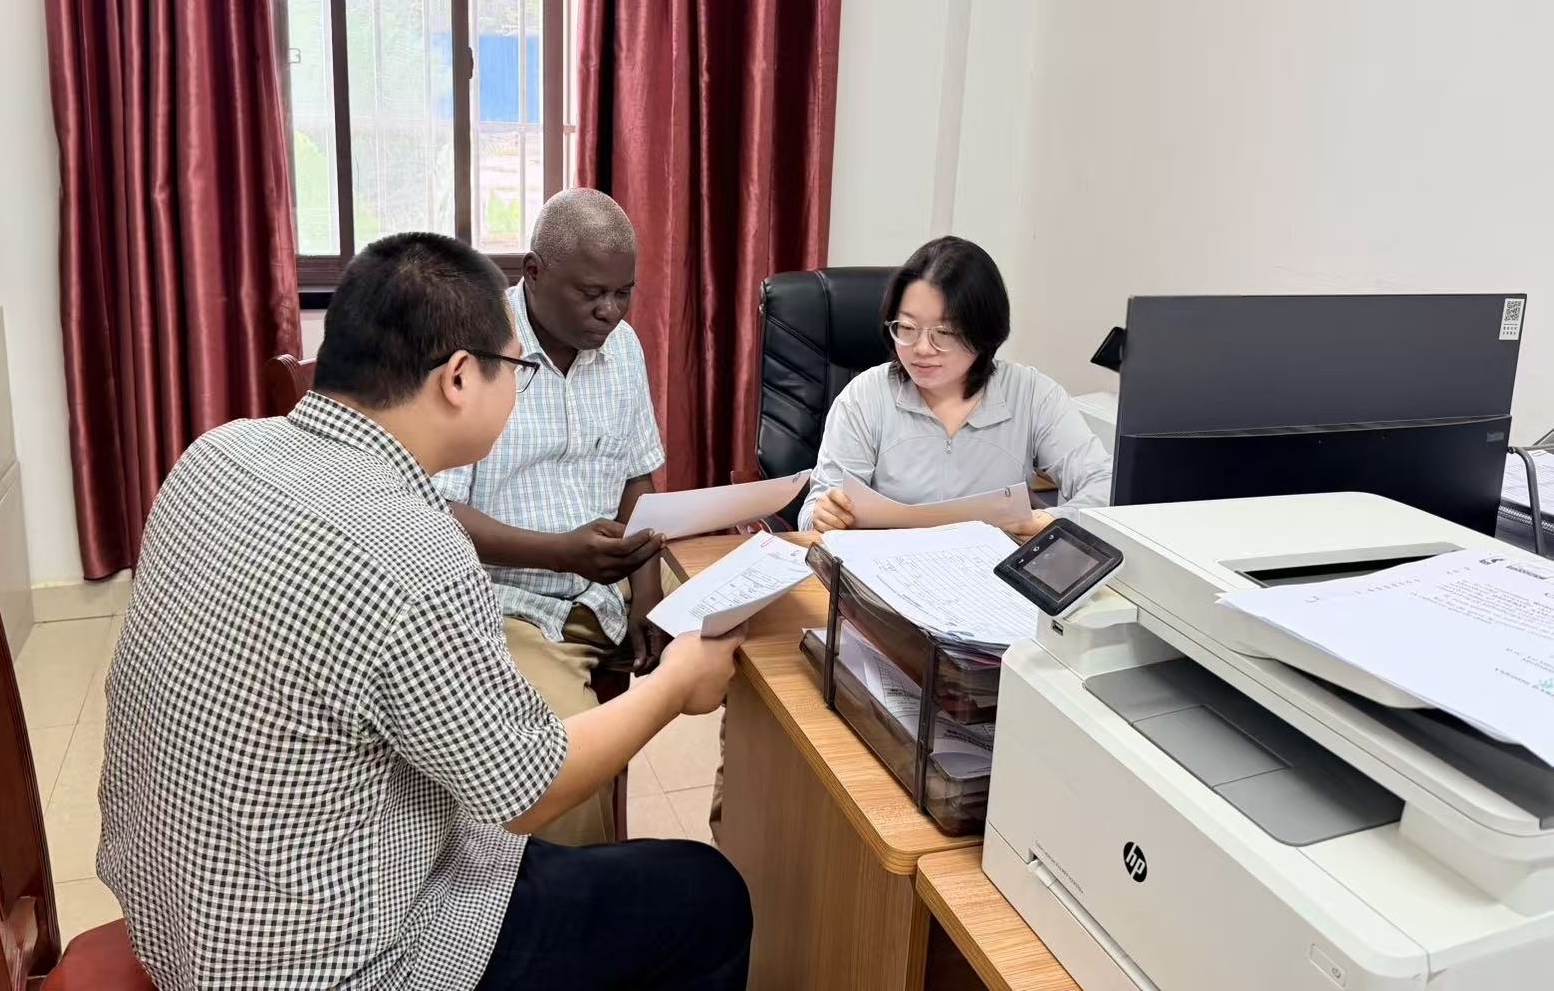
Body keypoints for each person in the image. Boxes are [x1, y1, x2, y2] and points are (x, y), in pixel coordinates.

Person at [98, 232, 752, 991]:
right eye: (516, 367)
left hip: (177, 914)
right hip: (325, 964)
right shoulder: (415, 550)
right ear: (458, 378)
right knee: (704, 894)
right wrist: (676, 683)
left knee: (560, 863)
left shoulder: (217, 452)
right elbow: (527, 787)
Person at [434, 188, 674, 847]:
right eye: (592, 292)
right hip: (512, 601)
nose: (610, 311)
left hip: (613, 576)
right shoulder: (473, 351)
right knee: (560, 763)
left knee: (761, 650)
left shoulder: (620, 347)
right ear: (533, 273)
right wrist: (558, 552)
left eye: (624, 292)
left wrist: (647, 594)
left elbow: (637, 477)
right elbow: (433, 512)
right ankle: (586, 907)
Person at [799, 235, 1112, 534]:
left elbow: (1105, 485)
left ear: (984, 332)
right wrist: (823, 515)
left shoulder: (1032, 395)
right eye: (906, 327)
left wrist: (1052, 521)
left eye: (944, 333)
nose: (921, 348)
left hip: (989, 576)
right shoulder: (865, 397)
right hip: (886, 574)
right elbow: (816, 508)